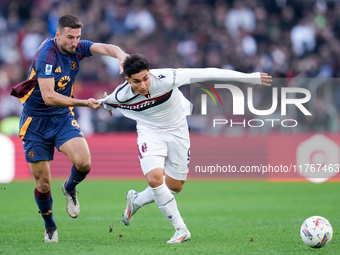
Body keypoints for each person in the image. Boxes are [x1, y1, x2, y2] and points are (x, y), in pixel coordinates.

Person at [100, 54, 272, 244]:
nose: (143, 85)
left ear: (150, 73)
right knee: (155, 178)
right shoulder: (120, 94)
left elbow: (209, 73)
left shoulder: (167, 78)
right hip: (150, 132)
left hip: (177, 130)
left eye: (146, 78)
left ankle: (136, 201)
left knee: (175, 186)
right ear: (128, 80)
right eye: (136, 81)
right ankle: (181, 229)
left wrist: (249, 78)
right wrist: (105, 106)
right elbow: (105, 102)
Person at [10, 14, 128, 243]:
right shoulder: (46, 55)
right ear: (58, 35)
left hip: (62, 118)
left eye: (78, 37)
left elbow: (107, 47)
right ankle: (50, 226)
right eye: (70, 37)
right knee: (43, 183)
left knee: (84, 162)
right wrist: (84, 102)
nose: (75, 42)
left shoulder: (77, 48)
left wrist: (121, 55)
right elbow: (49, 96)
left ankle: (69, 187)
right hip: (35, 122)